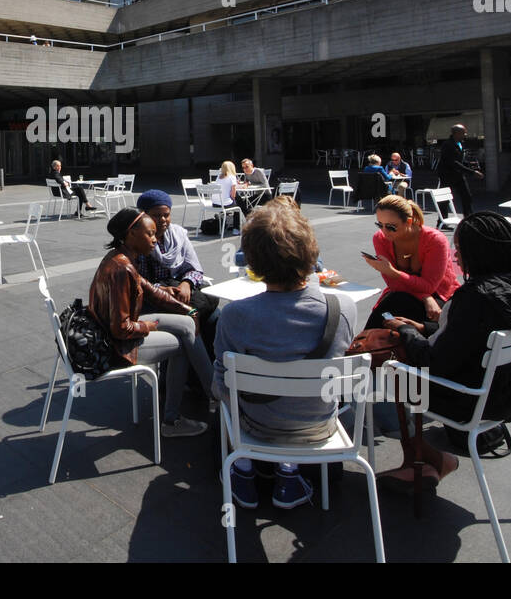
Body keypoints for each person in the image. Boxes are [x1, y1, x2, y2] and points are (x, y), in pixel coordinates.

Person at [368, 211, 511, 489]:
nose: (456, 257)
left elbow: (433, 360)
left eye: (460, 250)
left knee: (396, 367)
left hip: (468, 401)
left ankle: (421, 460)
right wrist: (423, 327)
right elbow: (470, 336)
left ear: (480, 254)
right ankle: (425, 459)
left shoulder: (475, 297)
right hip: (510, 394)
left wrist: (403, 332)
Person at [212, 198, 354, 509]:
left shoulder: (236, 315)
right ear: (311, 253)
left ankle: (243, 471)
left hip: (256, 427)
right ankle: (289, 476)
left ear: (251, 260)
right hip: (319, 427)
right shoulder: (343, 308)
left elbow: (221, 386)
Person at [88, 208, 214, 437]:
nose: (155, 239)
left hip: (117, 330)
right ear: (131, 235)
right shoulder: (121, 269)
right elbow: (121, 328)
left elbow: (154, 293)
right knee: (181, 345)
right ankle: (185, 412)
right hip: (115, 345)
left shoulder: (124, 259)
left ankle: (211, 394)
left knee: (186, 325)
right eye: (150, 234)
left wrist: (190, 309)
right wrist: (150, 326)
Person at [132, 190, 219, 356]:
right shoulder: (138, 241)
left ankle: (206, 365)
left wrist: (187, 284)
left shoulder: (178, 234)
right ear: (144, 216)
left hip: (179, 290)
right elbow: (135, 281)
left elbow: (194, 267)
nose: (163, 220)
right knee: (188, 321)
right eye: (156, 215)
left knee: (214, 315)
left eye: (166, 214)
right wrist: (160, 289)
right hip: (151, 298)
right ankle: (188, 373)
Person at [359, 195, 461, 329]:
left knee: (401, 308)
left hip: (439, 292)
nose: (384, 231)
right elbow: (393, 283)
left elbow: (429, 286)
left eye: (391, 227)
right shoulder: (380, 238)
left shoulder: (435, 240)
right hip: (403, 291)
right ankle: (366, 343)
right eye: (380, 225)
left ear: (408, 222)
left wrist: (393, 272)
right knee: (390, 309)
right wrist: (425, 297)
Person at [437, 124, 484, 219]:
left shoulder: (459, 143)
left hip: (458, 174)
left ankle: (468, 218)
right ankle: (442, 220)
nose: (465, 135)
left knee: (467, 196)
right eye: (463, 133)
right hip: (447, 175)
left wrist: (470, 168)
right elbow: (453, 163)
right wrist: (472, 172)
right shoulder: (448, 145)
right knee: (445, 199)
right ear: (456, 134)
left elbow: (459, 161)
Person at [212, 160, 242, 234]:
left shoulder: (218, 177)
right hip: (225, 204)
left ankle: (227, 222)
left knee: (234, 202)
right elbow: (233, 195)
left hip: (215, 204)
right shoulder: (232, 177)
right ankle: (236, 229)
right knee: (239, 207)